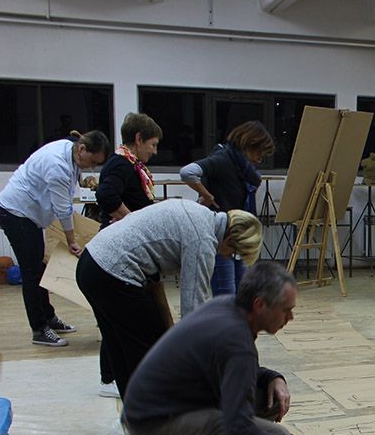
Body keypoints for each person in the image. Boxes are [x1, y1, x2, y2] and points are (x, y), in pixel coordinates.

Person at [122, 262, 340, 435]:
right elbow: (241, 433)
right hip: (153, 426)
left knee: (266, 401)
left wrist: (273, 378)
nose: (290, 318)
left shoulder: (228, 307)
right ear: (260, 305)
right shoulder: (237, 342)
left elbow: (225, 365)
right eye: (286, 310)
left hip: (157, 408)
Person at [77, 198, 263, 399]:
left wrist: (168, 328)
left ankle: (135, 418)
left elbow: (155, 282)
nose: (227, 257)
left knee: (121, 348)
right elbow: (193, 311)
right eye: (234, 254)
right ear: (230, 239)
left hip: (91, 264)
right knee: (150, 352)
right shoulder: (203, 241)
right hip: (113, 271)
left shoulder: (196, 212)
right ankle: (152, 420)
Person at [0, 129, 111, 347]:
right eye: (93, 161)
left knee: (39, 267)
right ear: (83, 149)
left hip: (29, 215)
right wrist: (71, 241)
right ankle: (39, 329)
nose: (92, 167)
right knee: (31, 272)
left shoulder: (73, 150)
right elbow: (63, 209)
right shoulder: (58, 165)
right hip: (16, 212)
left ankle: (49, 317)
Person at [93, 112, 163, 398]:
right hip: (120, 256)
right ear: (138, 139)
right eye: (153, 144)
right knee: (122, 319)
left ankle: (112, 376)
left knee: (116, 317)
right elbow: (106, 197)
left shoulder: (131, 166)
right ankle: (112, 378)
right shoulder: (120, 164)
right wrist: (135, 225)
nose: (155, 151)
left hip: (131, 254)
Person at [179, 120, 274, 295]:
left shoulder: (243, 169)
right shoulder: (222, 159)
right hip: (220, 239)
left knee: (244, 294)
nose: (260, 159)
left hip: (239, 235)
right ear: (248, 144)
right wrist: (206, 195)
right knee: (226, 297)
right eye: (259, 152)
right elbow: (187, 172)